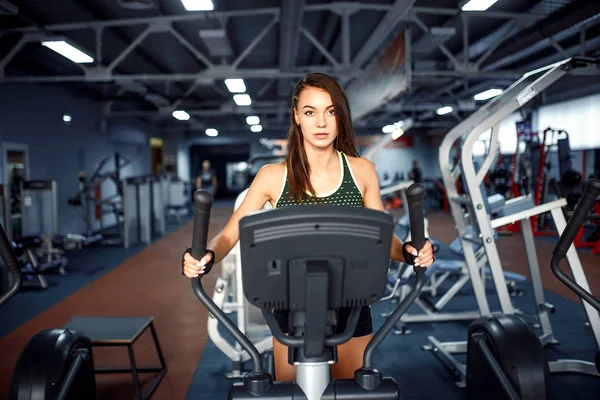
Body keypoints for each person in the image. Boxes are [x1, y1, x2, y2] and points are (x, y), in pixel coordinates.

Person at [182, 73, 435, 381]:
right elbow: (230, 234)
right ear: (296, 117)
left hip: (351, 304)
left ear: (340, 117)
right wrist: (205, 256)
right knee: (294, 394)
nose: (321, 123)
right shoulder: (273, 176)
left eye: (330, 111)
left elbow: (381, 239)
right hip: (291, 307)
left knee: (351, 391)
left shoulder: (361, 171)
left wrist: (410, 252)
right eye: (310, 112)